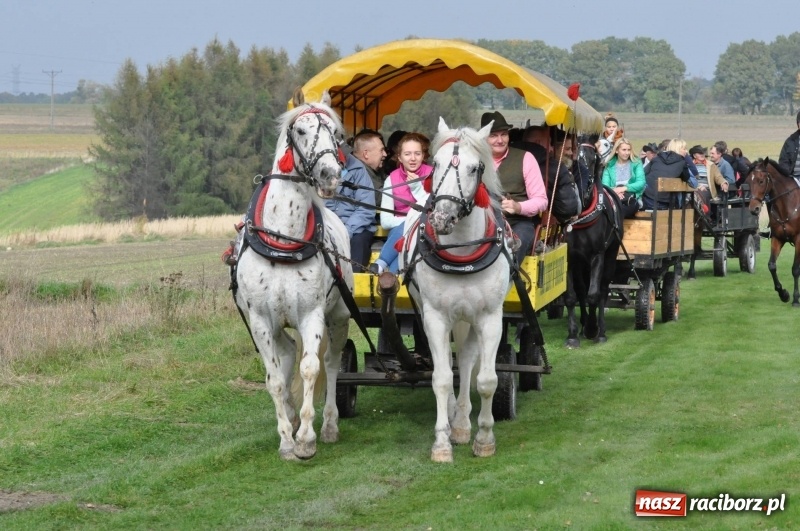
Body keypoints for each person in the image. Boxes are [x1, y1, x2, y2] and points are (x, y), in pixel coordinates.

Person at [482, 111, 548, 267]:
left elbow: (541, 200)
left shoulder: (526, 158)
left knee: (512, 251)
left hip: (517, 224)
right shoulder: (473, 161)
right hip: (481, 225)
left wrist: (518, 207)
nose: (500, 140)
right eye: (493, 136)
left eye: (504, 134)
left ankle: (509, 279)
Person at [369, 132, 432, 274]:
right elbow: (385, 221)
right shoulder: (391, 179)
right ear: (400, 157)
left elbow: (431, 210)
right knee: (405, 236)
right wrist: (410, 221)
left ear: (423, 156)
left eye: (417, 153)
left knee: (409, 232)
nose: (413, 158)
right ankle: (392, 275)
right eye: (407, 154)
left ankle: (381, 263)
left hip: (426, 232)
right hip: (399, 236)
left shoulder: (433, 175)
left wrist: (416, 189)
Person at [325, 130, 384, 271]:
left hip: (356, 229)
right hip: (327, 226)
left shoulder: (358, 169)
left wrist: (346, 231)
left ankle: (354, 284)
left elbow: (366, 208)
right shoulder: (319, 170)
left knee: (359, 242)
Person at [642, 138, 693, 210]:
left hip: (648, 199)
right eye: (684, 149)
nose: (686, 151)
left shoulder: (656, 158)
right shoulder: (682, 163)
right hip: (666, 202)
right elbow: (687, 179)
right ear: (678, 149)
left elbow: (643, 172)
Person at [602, 137, 645, 218]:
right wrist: (615, 192)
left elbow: (641, 183)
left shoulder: (636, 163)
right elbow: (605, 185)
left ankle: (617, 219)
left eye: (629, 150)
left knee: (623, 209)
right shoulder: (609, 165)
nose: (627, 152)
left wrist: (623, 189)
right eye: (624, 150)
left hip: (631, 198)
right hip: (613, 198)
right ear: (617, 150)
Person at [689, 144, 729, 212]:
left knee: (702, 194)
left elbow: (718, 177)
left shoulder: (711, 165)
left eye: (703, 153)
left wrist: (723, 182)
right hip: (693, 189)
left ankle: (705, 215)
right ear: (694, 156)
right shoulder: (689, 166)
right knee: (692, 196)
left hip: (707, 189)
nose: (702, 154)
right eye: (699, 153)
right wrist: (698, 186)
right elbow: (688, 179)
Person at [778, 111, 800, 180]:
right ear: (798, 124)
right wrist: (788, 174)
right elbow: (783, 161)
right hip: (793, 178)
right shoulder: (790, 141)